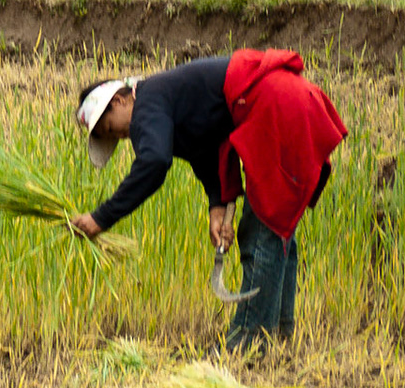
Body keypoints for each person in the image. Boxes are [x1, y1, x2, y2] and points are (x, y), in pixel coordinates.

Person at [70, 50, 345, 351]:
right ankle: (277, 334)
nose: (123, 136)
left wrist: (101, 218)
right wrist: (217, 204)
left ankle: (247, 344)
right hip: (290, 102)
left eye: (111, 128)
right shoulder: (167, 98)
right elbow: (204, 148)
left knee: (262, 228)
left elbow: (154, 163)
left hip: (277, 108)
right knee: (277, 232)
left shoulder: (147, 103)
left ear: (119, 101)